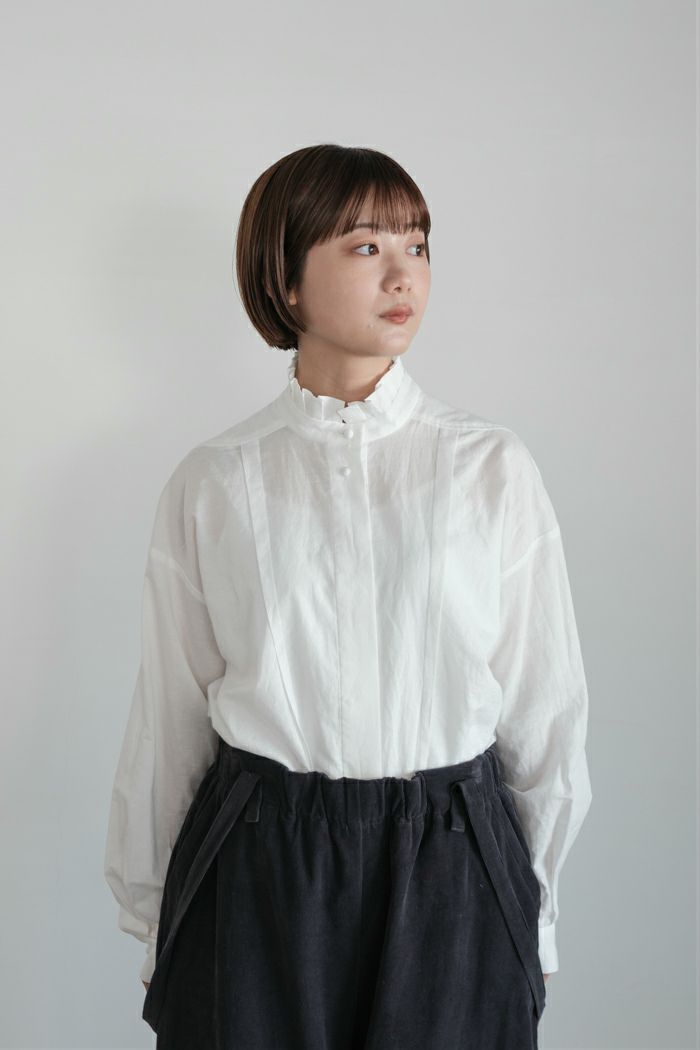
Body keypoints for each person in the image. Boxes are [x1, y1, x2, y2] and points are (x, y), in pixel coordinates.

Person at [104, 143, 592, 1049]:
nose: (404, 274)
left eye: (418, 244)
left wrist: (538, 910)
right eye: (366, 246)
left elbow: (544, 708)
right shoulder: (217, 481)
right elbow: (171, 719)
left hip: (454, 862)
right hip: (259, 866)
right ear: (286, 279)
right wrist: (154, 919)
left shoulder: (489, 467)